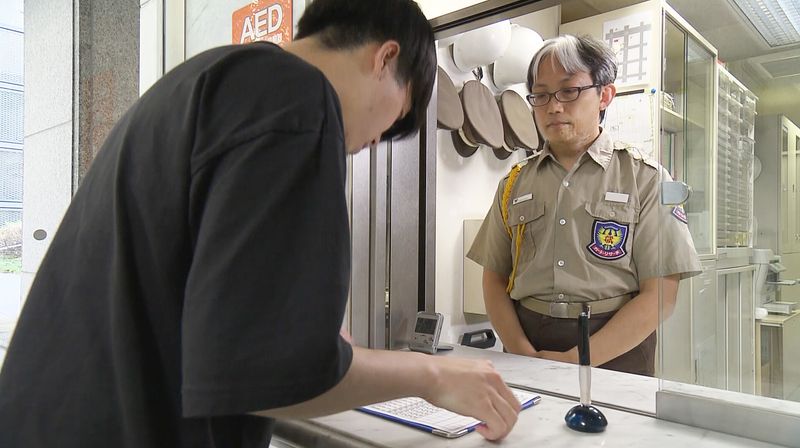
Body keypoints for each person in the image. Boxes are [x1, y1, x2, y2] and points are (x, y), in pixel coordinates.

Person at [0, 1, 522, 446]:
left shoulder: (210, 81)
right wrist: (434, 375)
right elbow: (271, 370)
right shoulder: (297, 99)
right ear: (386, 59)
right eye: (396, 118)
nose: (372, 142)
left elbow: (230, 321)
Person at [467, 34, 701, 377]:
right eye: (541, 95)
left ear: (604, 95)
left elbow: (662, 293)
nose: (553, 106)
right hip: (528, 343)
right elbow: (494, 280)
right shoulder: (514, 183)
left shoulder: (646, 178)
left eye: (569, 91)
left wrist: (577, 359)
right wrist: (522, 353)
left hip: (617, 349)